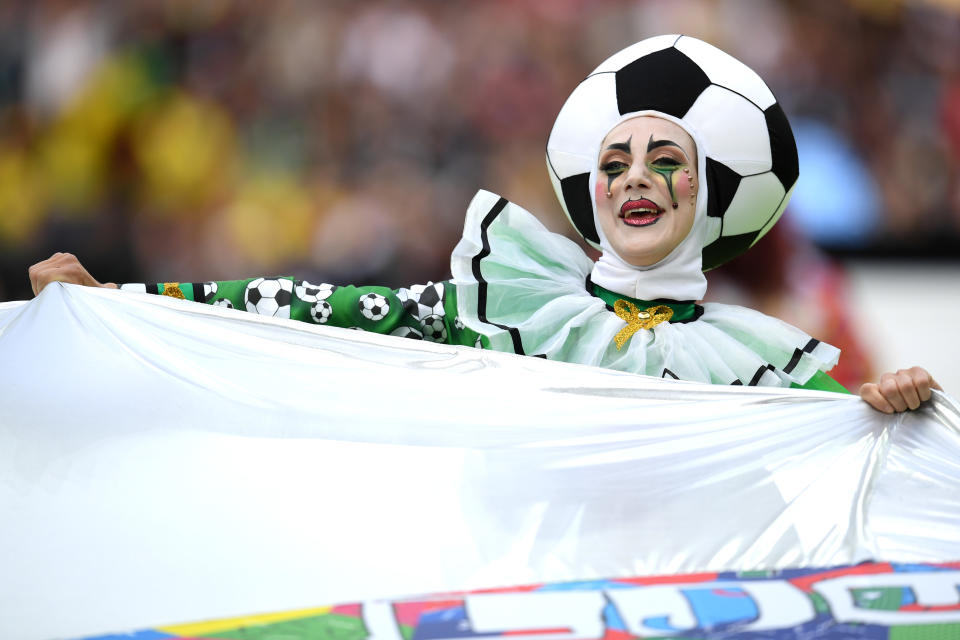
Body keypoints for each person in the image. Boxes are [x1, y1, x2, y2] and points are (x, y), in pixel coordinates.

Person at [27, 35, 940, 414]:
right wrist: (128, 303)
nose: (637, 181)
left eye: (668, 162)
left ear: (714, 191)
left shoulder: (767, 363)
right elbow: (306, 310)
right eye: (614, 163)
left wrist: (889, 408)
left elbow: (856, 446)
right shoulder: (509, 306)